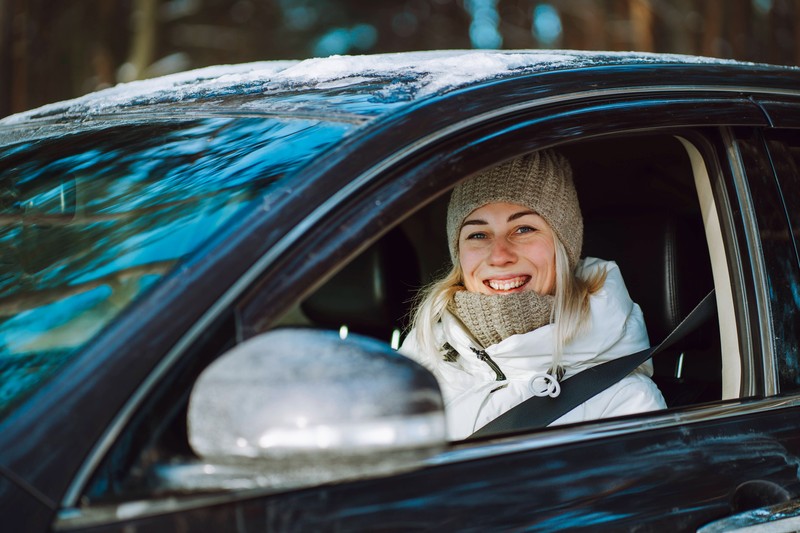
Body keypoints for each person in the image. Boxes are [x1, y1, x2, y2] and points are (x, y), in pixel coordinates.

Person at [399, 150, 666, 440]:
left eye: (523, 229)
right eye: (478, 234)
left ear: (563, 248)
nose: (499, 255)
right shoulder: (414, 363)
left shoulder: (624, 400)